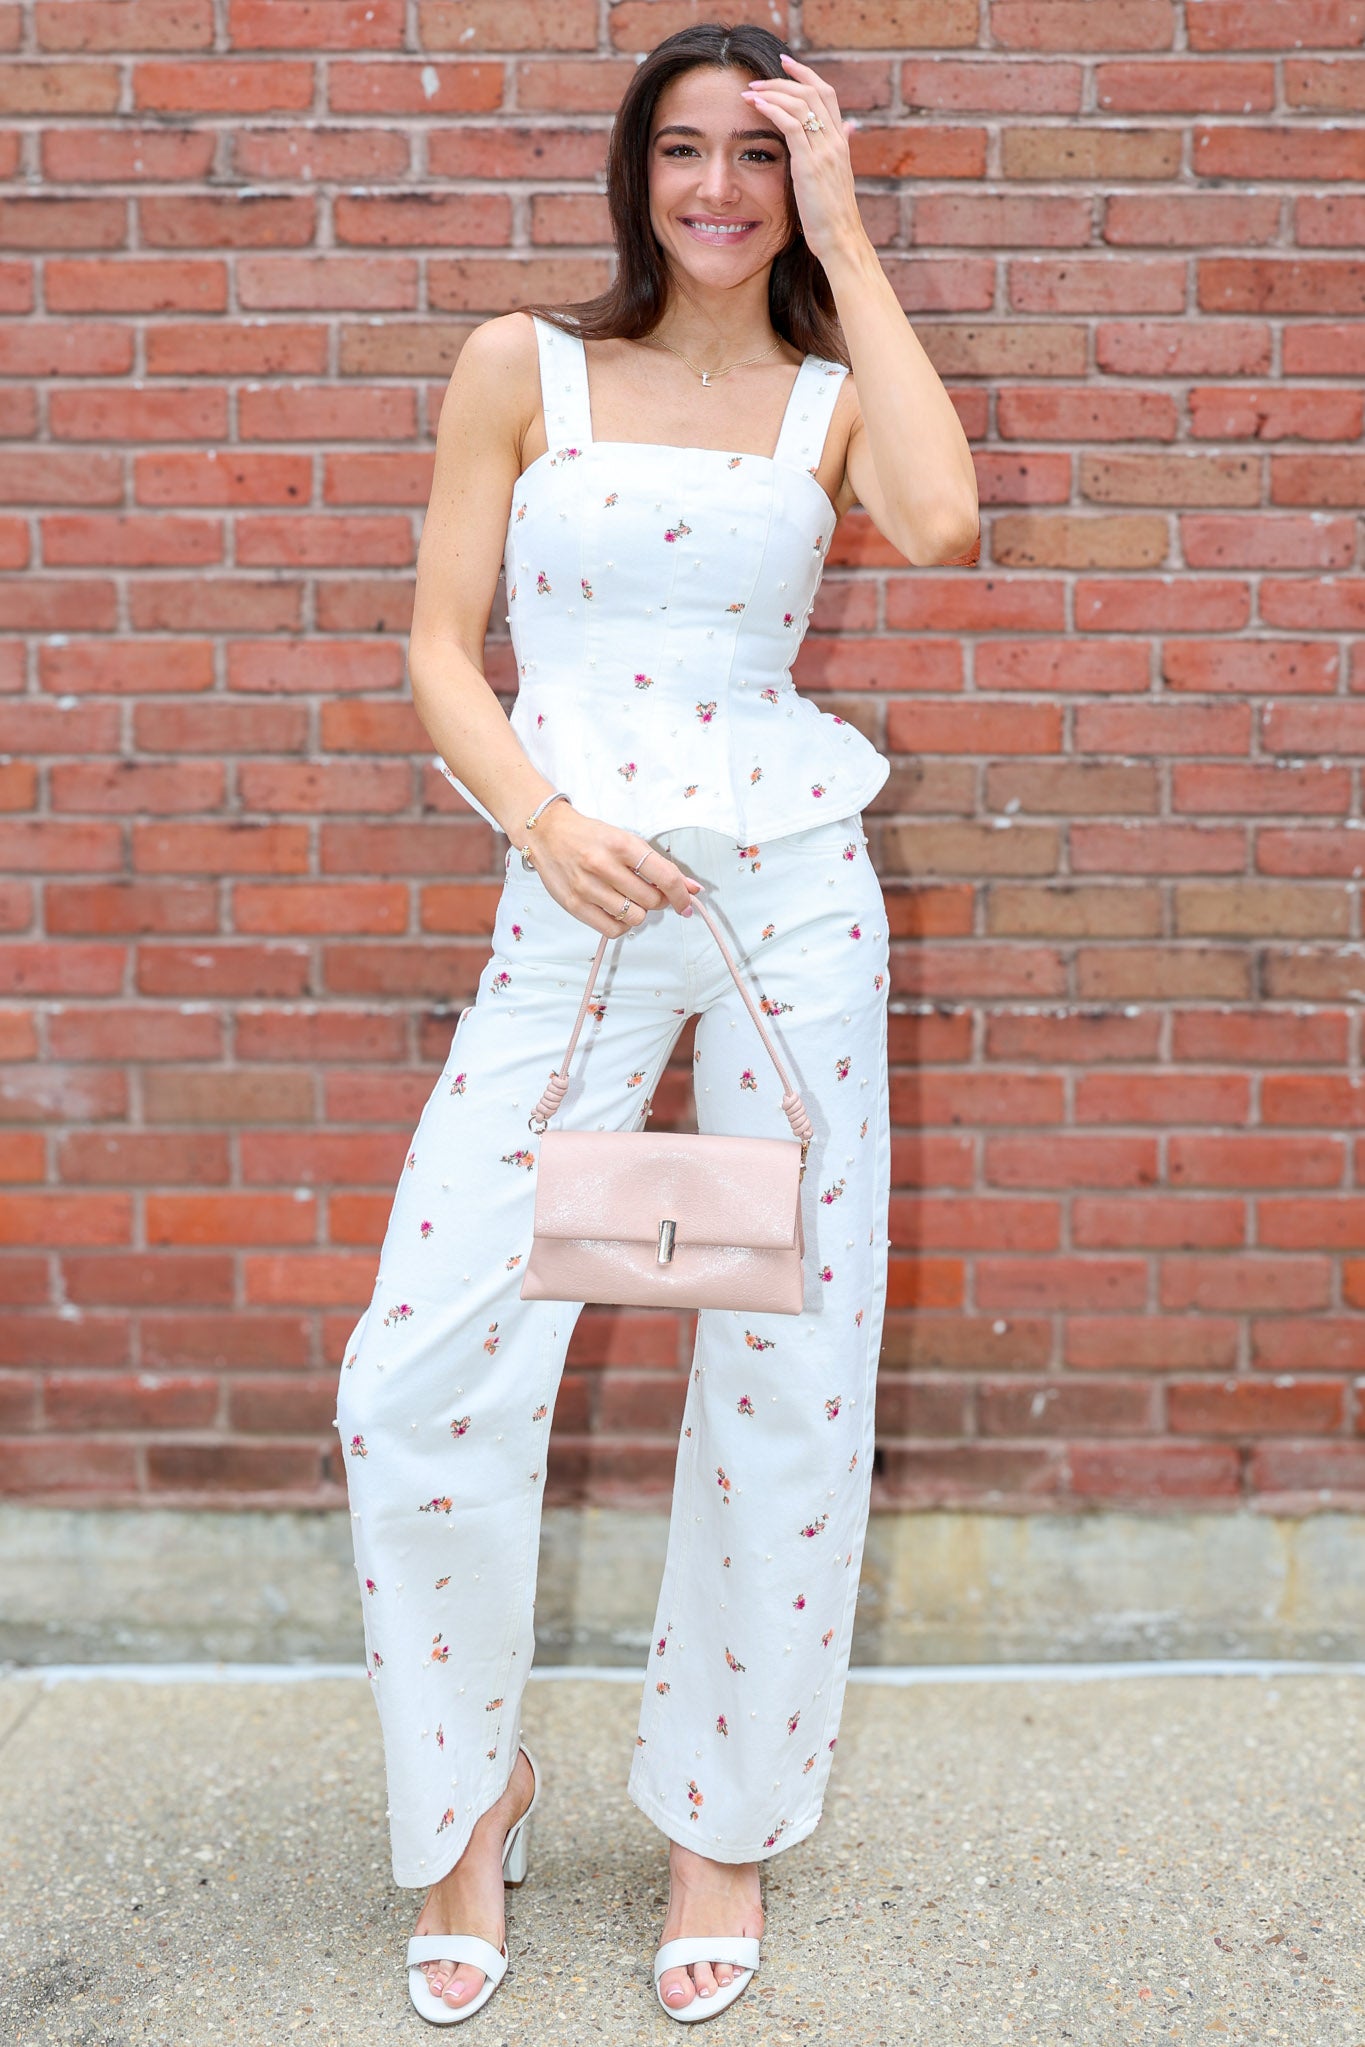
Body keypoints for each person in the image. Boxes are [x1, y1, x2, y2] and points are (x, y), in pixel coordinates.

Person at [334, 17, 979, 2026]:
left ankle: (717, 1818)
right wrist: (540, 814)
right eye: (684, 149)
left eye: (758, 158)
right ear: (634, 171)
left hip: (790, 899)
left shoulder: (818, 402)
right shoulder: (519, 369)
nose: (716, 189)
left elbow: (944, 520)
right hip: (575, 898)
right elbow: (443, 646)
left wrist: (853, 245)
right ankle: (466, 1801)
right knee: (416, 1366)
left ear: (797, 185)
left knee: (781, 1356)